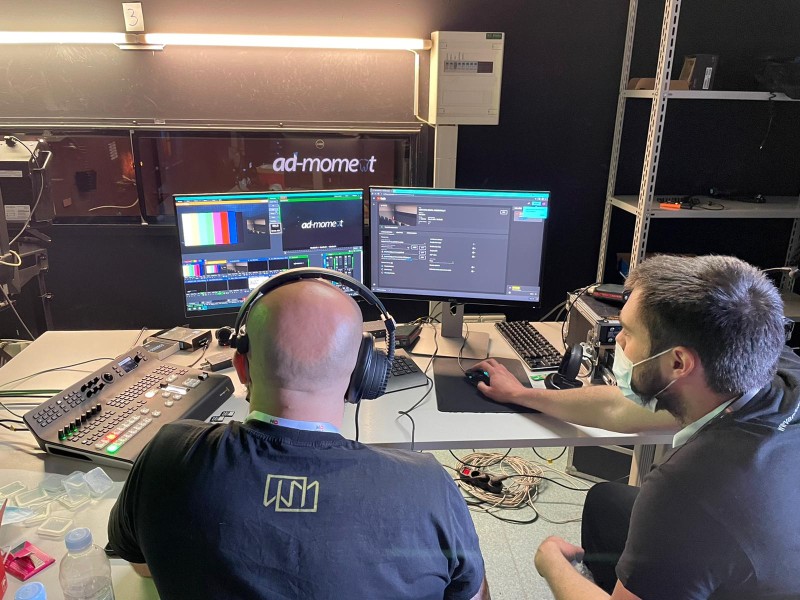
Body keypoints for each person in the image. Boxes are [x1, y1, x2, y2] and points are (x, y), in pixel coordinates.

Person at [108, 278, 489, 600]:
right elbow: (467, 594)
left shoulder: (167, 454)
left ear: (241, 367)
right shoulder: (425, 485)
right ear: (363, 375)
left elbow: (142, 566)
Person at [472, 254, 800, 599]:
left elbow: (686, 502)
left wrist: (551, 563)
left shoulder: (687, 490)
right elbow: (617, 407)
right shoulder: (765, 368)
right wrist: (522, 395)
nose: (618, 342)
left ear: (679, 363)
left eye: (627, 332)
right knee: (606, 502)